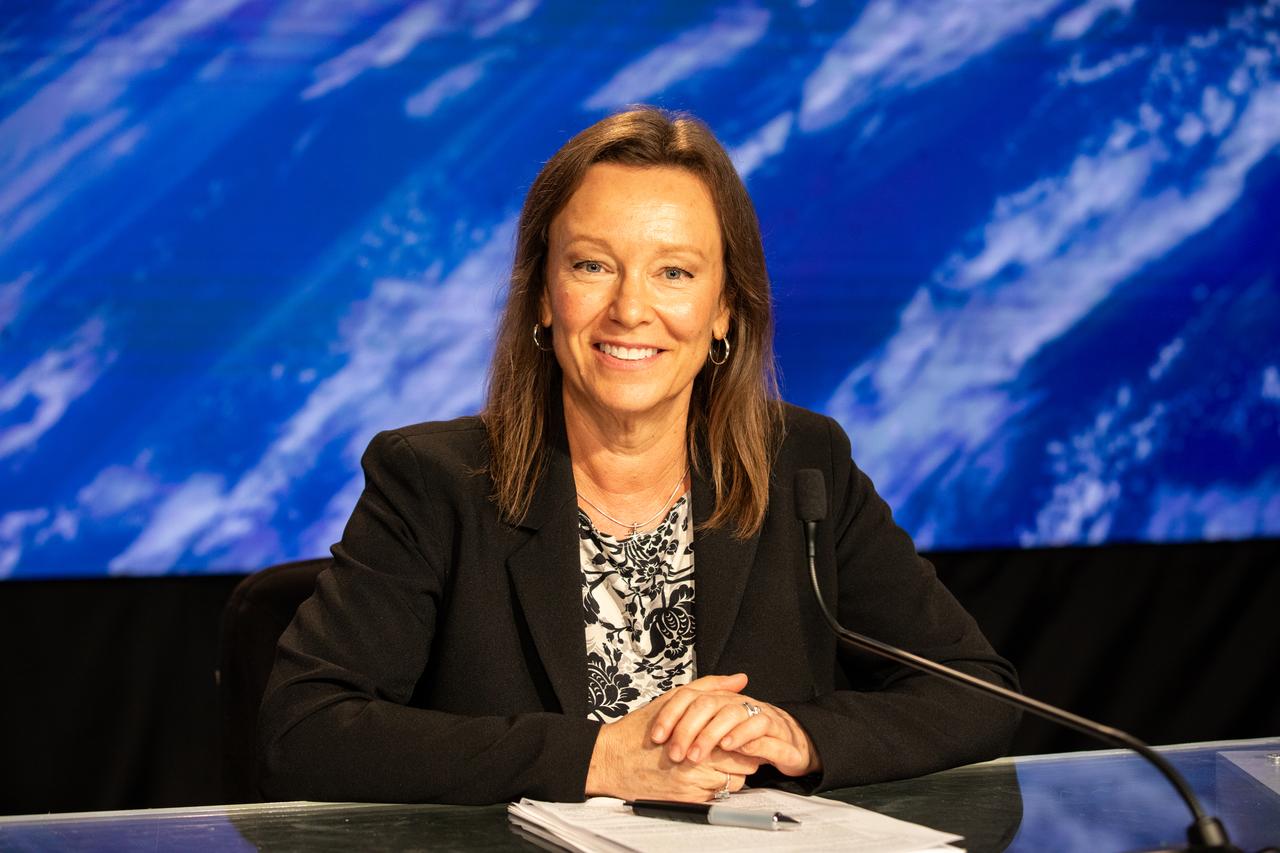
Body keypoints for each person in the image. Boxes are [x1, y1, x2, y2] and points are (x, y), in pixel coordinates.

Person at [257, 107, 1020, 806]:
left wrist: (801, 734)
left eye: (675, 273)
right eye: (592, 265)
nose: (630, 309)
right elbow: (307, 728)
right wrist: (596, 758)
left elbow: (978, 692)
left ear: (725, 307)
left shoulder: (803, 466)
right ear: (544, 297)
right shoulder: (434, 482)